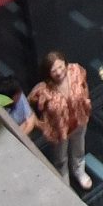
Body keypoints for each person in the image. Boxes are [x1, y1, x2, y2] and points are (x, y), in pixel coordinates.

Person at [22, 50, 93, 189]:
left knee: (79, 148)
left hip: (79, 120)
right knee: (60, 158)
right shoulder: (43, 90)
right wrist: (38, 122)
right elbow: (28, 102)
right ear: (48, 73)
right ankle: (63, 179)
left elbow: (84, 84)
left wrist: (86, 101)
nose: (59, 72)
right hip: (59, 129)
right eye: (54, 70)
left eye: (61, 67)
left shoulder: (76, 71)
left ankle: (79, 171)